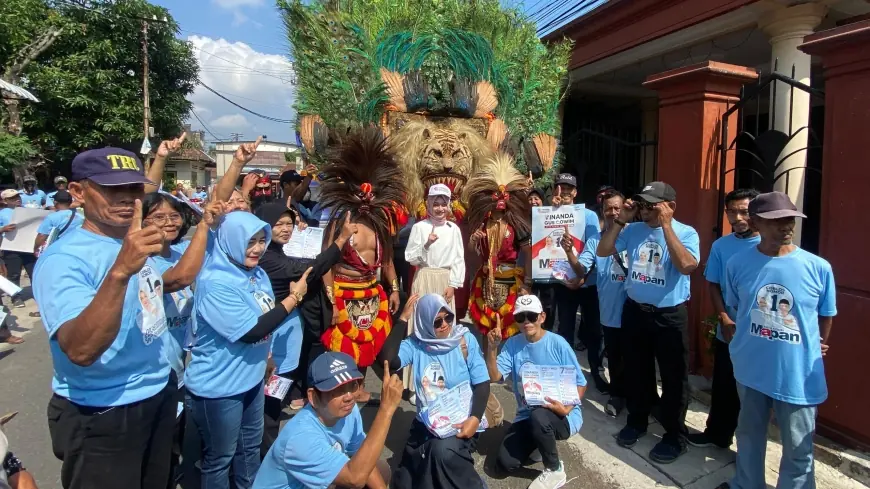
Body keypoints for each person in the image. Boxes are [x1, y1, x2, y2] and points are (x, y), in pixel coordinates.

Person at [33, 147, 175, 489]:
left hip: (157, 393)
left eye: (133, 189)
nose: (126, 198)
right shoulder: (63, 259)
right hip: (102, 411)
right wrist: (120, 271)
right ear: (79, 193)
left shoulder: (132, 239)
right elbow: (81, 351)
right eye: (111, 189)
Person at [716, 192, 836, 489]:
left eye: (790, 219)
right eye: (776, 220)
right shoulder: (737, 263)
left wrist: (816, 342)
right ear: (756, 222)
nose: (786, 226)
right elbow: (736, 306)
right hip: (750, 368)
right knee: (749, 434)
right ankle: (746, 484)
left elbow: (826, 313)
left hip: (796, 373)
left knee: (798, 447)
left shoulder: (817, 267)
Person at [184, 211, 309, 489]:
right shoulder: (215, 283)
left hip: (252, 380)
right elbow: (251, 331)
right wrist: (294, 297)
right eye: (249, 241)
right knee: (220, 458)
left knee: (250, 449)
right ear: (230, 240)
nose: (257, 249)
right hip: (220, 389)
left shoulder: (257, 273)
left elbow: (263, 315)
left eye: (262, 240)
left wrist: (267, 357)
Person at [597, 181, 699, 464]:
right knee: (637, 371)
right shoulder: (633, 230)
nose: (644, 210)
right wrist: (621, 221)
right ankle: (638, 420)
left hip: (668, 316)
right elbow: (604, 251)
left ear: (670, 207)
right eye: (641, 204)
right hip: (635, 312)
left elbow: (687, 265)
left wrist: (665, 227)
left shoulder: (686, 232)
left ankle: (674, 435)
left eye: (651, 205)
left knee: (673, 377)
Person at [254, 202, 356, 455]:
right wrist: (341, 239)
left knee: (275, 398)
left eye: (289, 223)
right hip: (271, 346)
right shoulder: (266, 258)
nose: (286, 229)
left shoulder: (277, 251)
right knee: (267, 405)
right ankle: (265, 454)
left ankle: (268, 446)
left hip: (286, 347)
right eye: (279, 224)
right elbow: (307, 270)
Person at [318, 129, 407, 403]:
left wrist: (393, 290)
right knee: (345, 351)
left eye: (372, 192)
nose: (367, 197)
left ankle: (359, 390)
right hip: (344, 294)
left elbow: (388, 261)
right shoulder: (339, 225)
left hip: (371, 294)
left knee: (369, 345)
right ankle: (342, 395)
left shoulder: (380, 226)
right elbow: (325, 266)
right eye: (361, 192)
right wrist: (332, 302)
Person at [254, 353, 403, 489]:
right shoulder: (301, 439)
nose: (349, 396)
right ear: (313, 397)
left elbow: (362, 454)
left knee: (379, 468)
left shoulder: (348, 410)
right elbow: (355, 478)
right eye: (337, 390)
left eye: (353, 385)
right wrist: (386, 410)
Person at [484, 295, 587, 489]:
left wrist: (566, 409)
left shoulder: (558, 344)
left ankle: (555, 469)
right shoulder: (514, 344)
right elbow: (495, 376)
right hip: (527, 414)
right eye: (520, 318)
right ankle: (540, 444)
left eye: (531, 316)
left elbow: (581, 384)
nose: (526, 322)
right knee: (504, 464)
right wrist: (492, 349)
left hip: (562, 414)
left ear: (542, 317)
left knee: (540, 417)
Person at [389, 294, 490, 489]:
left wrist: (475, 418)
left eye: (448, 317)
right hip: (428, 423)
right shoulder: (416, 344)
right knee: (405, 482)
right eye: (436, 321)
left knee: (441, 452)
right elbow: (389, 360)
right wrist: (402, 320)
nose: (444, 324)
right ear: (425, 323)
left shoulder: (464, 340)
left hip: (461, 420)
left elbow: (482, 383)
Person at [685, 188, 760, 450]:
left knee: (753, 396)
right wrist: (724, 317)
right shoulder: (721, 246)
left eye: (744, 211)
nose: (737, 217)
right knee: (724, 386)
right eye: (731, 212)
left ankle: (750, 449)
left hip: (761, 337)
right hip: (729, 331)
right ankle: (717, 434)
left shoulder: (772, 246)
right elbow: (714, 284)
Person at [575, 189, 632, 417]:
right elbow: (582, 268)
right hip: (610, 311)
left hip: (636, 310)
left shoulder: (636, 234)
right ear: (602, 211)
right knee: (616, 357)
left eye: (617, 208)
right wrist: (570, 252)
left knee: (638, 357)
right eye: (608, 208)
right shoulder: (595, 241)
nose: (613, 212)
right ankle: (617, 396)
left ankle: (641, 398)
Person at [549, 173, 606, 392]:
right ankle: (565, 371)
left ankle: (596, 370)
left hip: (588, 283)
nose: (563, 192)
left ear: (575, 192)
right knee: (564, 329)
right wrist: (549, 210)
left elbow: (594, 247)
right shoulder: (549, 212)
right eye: (559, 187)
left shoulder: (589, 216)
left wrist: (583, 275)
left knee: (593, 330)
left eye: (567, 188)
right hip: (563, 283)